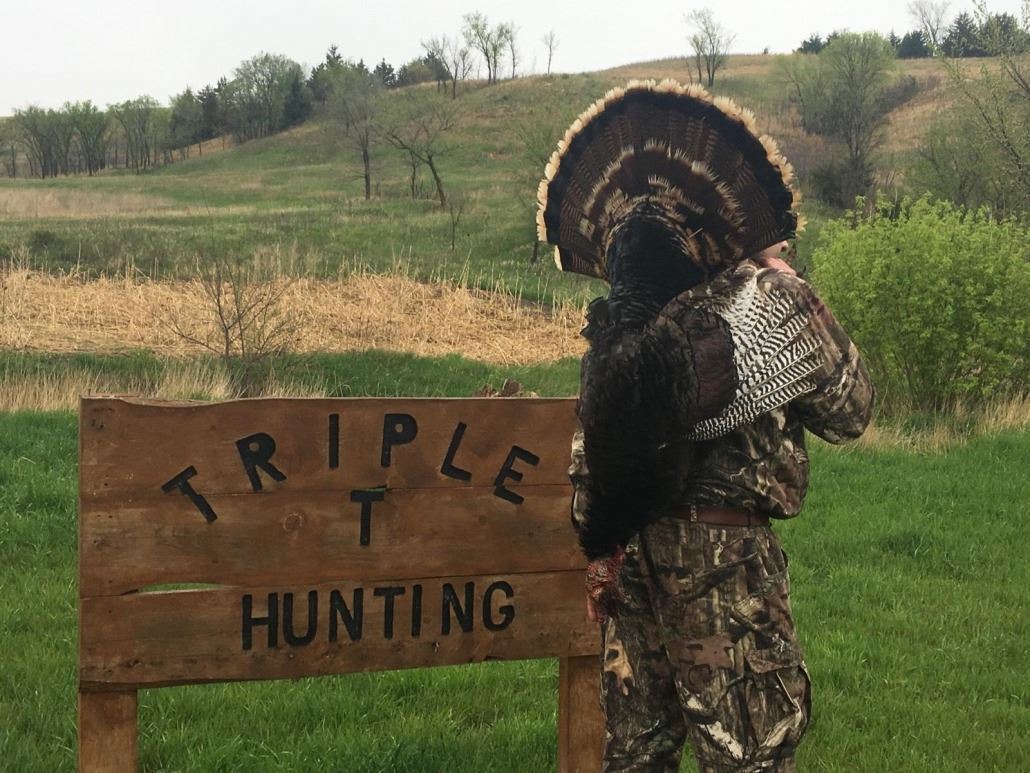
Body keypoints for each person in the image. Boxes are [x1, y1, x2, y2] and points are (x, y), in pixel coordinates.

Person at [535, 81, 874, 772]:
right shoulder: (765, 297)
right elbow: (852, 411)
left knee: (636, 757)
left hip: (631, 559)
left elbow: (589, 453)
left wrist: (601, 557)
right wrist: (797, 294)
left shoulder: (620, 325)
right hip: (725, 566)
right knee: (751, 757)